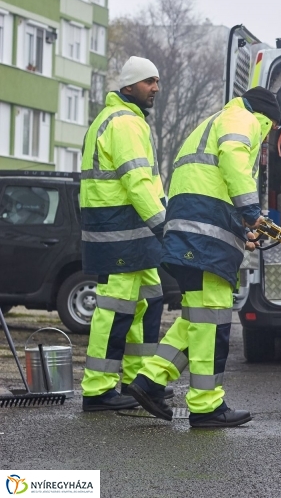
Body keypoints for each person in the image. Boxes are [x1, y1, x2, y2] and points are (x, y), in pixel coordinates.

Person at [128, 87, 281, 428]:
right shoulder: (244, 119)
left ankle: (150, 380)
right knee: (212, 321)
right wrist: (251, 211)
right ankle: (207, 407)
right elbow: (233, 157)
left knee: (199, 318)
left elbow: (211, 183)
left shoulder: (216, 121)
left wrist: (244, 229)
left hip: (192, 232)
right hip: (203, 235)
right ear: (268, 119)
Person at [80, 56, 173, 411]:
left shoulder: (123, 120)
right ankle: (98, 390)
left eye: (157, 81)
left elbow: (144, 181)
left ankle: (140, 383)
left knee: (147, 302)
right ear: (129, 86)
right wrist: (163, 224)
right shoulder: (124, 123)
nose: (155, 88)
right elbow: (136, 181)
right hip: (120, 232)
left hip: (130, 233)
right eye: (149, 81)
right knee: (116, 310)